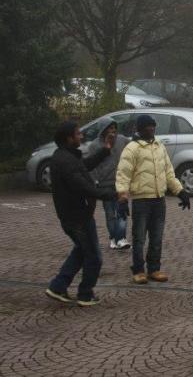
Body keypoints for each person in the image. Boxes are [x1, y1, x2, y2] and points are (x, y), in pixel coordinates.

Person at [46, 121, 116, 307]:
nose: (81, 136)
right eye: (78, 134)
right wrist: (113, 195)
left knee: (80, 251)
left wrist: (105, 150)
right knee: (93, 256)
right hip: (77, 217)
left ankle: (58, 286)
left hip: (76, 215)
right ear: (69, 138)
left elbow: (84, 167)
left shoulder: (66, 157)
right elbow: (83, 187)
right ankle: (85, 294)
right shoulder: (65, 161)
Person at [116, 114, 191, 285]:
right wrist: (122, 197)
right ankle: (138, 270)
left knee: (157, 237)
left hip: (159, 199)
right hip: (141, 200)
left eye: (153, 126)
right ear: (139, 129)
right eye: (147, 126)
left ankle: (154, 268)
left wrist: (180, 191)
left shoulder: (160, 147)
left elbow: (169, 172)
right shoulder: (132, 148)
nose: (151, 129)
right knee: (139, 238)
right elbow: (123, 174)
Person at [88, 117, 130, 250]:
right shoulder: (94, 145)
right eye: (110, 128)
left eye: (114, 128)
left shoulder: (122, 140)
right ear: (103, 130)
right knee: (110, 212)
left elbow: (133, 149)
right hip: (105, 183)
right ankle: (113, 237)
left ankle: (121, 238)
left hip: (121, 182)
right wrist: (94, 180)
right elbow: (92, 165)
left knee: (122, 211)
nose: (113, 131)